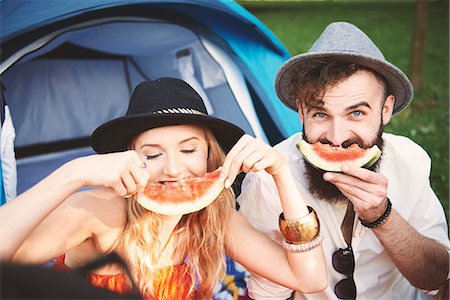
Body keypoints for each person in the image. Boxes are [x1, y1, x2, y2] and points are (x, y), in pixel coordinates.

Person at [1, 77, 327, 299]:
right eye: (153, 154)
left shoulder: (213, 216)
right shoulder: (98, 212)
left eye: (188, 150)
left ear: (211, 155)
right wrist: (72, 173)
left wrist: (281, 173)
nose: (172, 169)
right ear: (130, 158)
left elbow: (310, 279)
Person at [237, 21, 450, 299]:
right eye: (321, 114)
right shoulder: (268, 178)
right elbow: (267, 293)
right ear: (301, 113)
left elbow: (437, 277)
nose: (337, 138)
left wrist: (382, 216)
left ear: (385, 110)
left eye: (356, 113)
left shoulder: (410, 161)